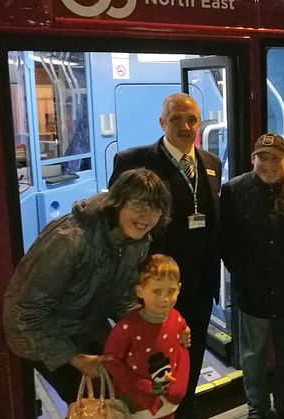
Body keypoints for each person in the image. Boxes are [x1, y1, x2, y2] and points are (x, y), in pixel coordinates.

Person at [3, 168, 172, 404]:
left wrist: (160, 326)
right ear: (117, 203)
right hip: (37, 331)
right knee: (93, 401)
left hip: (85, 323)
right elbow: (28, 314)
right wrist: (77, 358)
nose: (146, 216)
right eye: (137, 205)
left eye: (155, 209)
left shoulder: (139, 240)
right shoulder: (72, 240)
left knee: (129, 381)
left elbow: (123, 297)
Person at [108, 92, 222, 418]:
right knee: (150, 367)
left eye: (192, 120)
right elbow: (118, 223)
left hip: (198, 287)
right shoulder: (134, 162)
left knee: (189, 359)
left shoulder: (212, 164)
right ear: (162, 122)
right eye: (176, 119)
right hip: (154, 290)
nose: (185, 126)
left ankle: (186, 411)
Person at [220, 134, 284, 419]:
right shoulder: (233, 191)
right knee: (252, 357)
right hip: (253, 294)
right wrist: (243, 275)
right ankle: (258, 408)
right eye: (262, 157)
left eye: (275, 158)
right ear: (253, 159)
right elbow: (226, 243)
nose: (269, 164)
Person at [104, 254, 189, 419]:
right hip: (136, 407)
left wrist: (180, 385)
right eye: (156, 291)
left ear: (178, 289)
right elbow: (111, 360)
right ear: (140, 291)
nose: (164, 299)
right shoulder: (126, 329)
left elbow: (182, 349)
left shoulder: (177, 318)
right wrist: (143, 388)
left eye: (170, 291)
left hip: (168, 406)